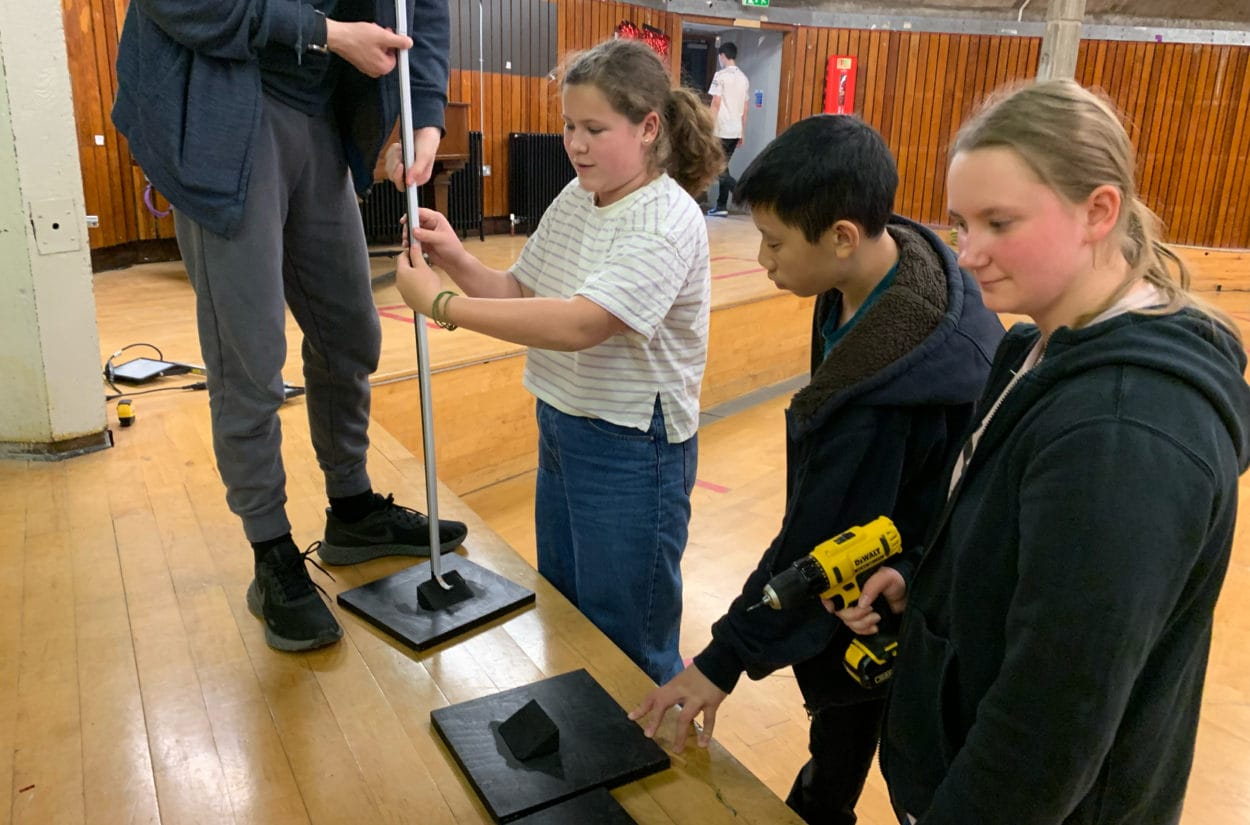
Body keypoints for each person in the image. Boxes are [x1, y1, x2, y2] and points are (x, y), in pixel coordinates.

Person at [840, 80, 1250, 824]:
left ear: (1099, 211)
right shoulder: (1033, 344)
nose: (968, 255)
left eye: (1000, 222)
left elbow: (1051, 724)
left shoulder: (1126, 431)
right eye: (962, 223)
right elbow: (1024, 551)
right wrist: (931, 582)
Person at [628, 114, 1004, 825]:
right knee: (843, 734)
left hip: (915, 600)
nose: (763, 258)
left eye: (773, 243)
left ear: (841, 236)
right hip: (887, 567)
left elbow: (814, 539)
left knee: (896, 754)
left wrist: (720, 660)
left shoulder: (886, 388)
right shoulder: (871, 274)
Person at [112, 1, 468, 654]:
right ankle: (271, 549)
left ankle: (352, 510)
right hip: (223, 97)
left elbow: (421, 8)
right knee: (248, 353)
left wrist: (425, 113)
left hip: (317, 108)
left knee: (350, 334)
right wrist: (327, 33)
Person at [393, 37, 723, 684]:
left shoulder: (666, 218)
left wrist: (443, 306)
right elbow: (521, 291)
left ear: (649, 126)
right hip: (564, 426)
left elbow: (580, 323)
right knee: (567, 608)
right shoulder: (577, 198)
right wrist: (456, 260)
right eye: (569, 126)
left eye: (595, 129)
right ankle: (587, 743)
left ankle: (646, 768)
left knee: (627, 633)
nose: (575, 143)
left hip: (634, 448)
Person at [706, 41, 749, 217]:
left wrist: (707, 125)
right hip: (735, 130)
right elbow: (745, 109)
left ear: (722, 56)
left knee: (718, 167)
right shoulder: (744, 78)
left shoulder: (720, 76)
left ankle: (742, 193)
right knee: (723, 166)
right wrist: (742, 132)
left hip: (720, 129)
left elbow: (715, 103)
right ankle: (721, 205)